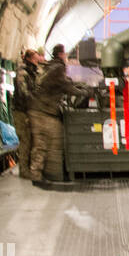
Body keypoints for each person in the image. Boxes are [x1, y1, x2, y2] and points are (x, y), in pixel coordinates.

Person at [28, 44, 94, 183]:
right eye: (64, 54)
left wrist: (80, 85)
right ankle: (45, 176)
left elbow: (66, 82)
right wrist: (84, 92)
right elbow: (66, 85)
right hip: (43, 111)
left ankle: (44, 174)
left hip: (38, 109)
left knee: (45, 142)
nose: (66, 57)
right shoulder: (58, 67)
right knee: (50, 141)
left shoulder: (52, 66)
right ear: (60, 54)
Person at [13, 49, 41, 180]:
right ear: (29, 58)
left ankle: (28, 168)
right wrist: (34, 101)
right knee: (25, 140)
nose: (38, 61)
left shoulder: (32, 72)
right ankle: (23, 170)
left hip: (28, 111)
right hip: (21, 112)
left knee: (30, 140)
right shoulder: (23, 72)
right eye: (35, 58)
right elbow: (23, 92)